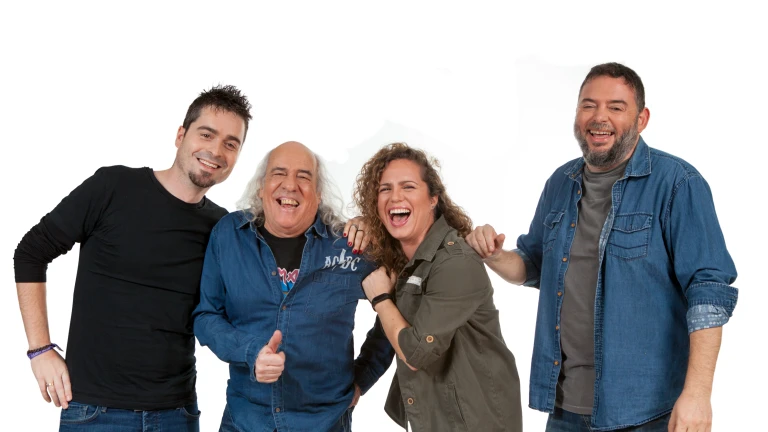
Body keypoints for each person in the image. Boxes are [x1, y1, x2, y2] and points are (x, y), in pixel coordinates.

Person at [466, 63, 738, 432]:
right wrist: (495, 256)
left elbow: (708, 292)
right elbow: (533, 265)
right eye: (588, 105)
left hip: (648, 412)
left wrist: (698, 394)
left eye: (616, 107)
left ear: (641, 119)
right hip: (564, 409)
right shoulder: (560, 182)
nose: (599, 117)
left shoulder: (677, 183)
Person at [13, 85, 253, 431]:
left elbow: (230, 310)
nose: (216, 150)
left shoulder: (221, 226)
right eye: (206, 134)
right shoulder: (113, 187)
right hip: (94, 412)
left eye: (231, 144)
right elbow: (31, 252)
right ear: (181, 135)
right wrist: (40, 350)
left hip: (177, 413)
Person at [192, 141, 394, 432]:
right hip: (245, 421)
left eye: (304, 176)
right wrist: (251, 352)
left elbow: (398, 305)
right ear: (261, 187)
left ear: (318, 193)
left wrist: (364, 376)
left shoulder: (349, 246)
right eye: (279, 173)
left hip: (324, 423)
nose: (290, 185)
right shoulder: (228, 235)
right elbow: (207, 316)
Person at [353, 143, 523, 432]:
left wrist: (380, 298)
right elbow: (388, 333)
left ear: (433, 199)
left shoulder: (455, 261)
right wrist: (355, 385)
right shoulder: (405, 264)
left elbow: (416, 353)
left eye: (408, 187)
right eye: (385, 189)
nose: (395, 197)